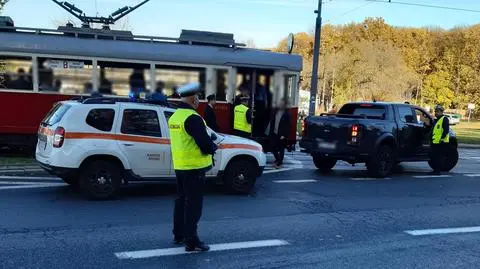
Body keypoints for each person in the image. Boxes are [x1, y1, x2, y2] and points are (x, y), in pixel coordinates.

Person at [168, 82, 217, 252]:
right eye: (197, 97)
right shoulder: (193, 118)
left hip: (180, 166)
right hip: (194, 168)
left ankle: (178, 234)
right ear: (192, 98)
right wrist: (213, 147)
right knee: (194, 205)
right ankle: (192, 240)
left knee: (181, 201)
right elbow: (204, 143)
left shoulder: (175, 117)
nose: (198, 100)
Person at [268, 98, 291, 168]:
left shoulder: (287, 114)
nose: (280, 104)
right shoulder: (276, 111)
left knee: (281, 148)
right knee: (272, 147)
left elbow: (288, 125)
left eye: (282, 103)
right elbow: (272, 122)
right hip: (274, 133)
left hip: (281, 134)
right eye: (280, 103)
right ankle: (278, 159)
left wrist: (284, 135)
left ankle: (279, 163)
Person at [429, 104, 450, 175]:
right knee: (434, 157)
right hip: (435, 142)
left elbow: (446, 130)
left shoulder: (444, 119)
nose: (436, 113)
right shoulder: (436, 120)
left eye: (437, 111)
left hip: (441, 142)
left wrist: (442, 139)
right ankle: (435, 170)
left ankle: (437, 171)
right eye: (435, 111)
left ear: (441, 112)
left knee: (438, 157)